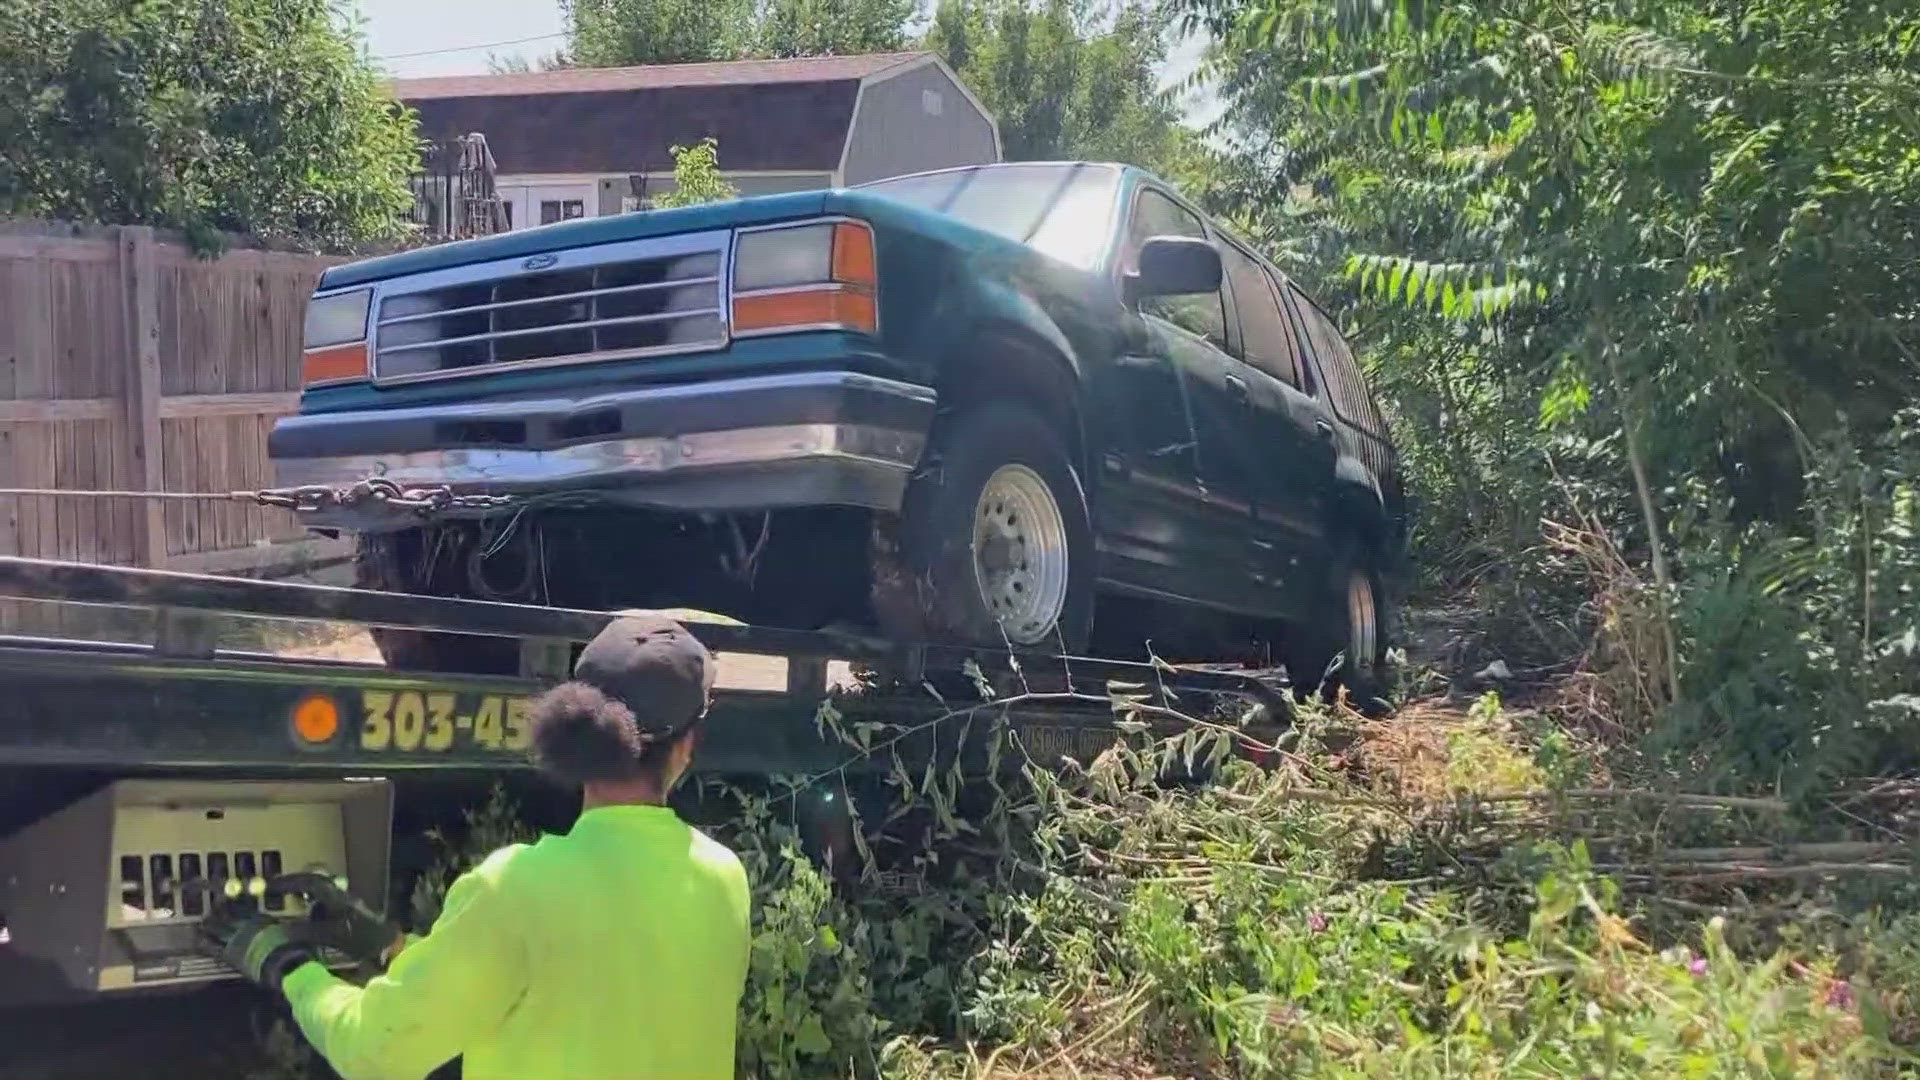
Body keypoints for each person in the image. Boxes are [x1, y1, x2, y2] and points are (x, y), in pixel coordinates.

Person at [200, 613, 752, 1080]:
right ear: (687, 748)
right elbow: (578, 987)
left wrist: (287, 965)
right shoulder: (723, 876)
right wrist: (394, 947)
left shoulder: (517, 889)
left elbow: (375, 1049)